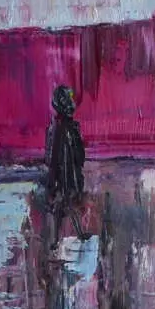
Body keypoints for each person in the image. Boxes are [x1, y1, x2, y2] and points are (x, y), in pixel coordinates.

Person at [45, 85, 87, 236]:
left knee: (65, 204)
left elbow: (77, 153)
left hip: (67, 173)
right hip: (63, 174)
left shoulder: (65, 127)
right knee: (64, 204)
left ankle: (58, 239)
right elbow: (52, 155)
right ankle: (58, 238)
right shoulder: (59, 128)